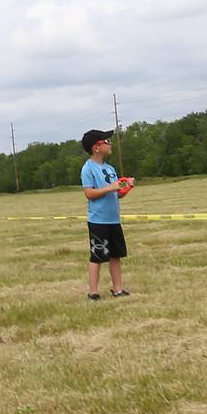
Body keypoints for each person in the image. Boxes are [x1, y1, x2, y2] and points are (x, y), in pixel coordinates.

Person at [79, 129, 131, 301]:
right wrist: (111, 187)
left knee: (116, 255)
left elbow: (117, 194)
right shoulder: (88, 169)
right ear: (96, 148)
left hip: (113, 219)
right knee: (98, 255)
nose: (110, 144)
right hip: (98, 221)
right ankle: (93, 292)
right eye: (106, 142)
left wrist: (126, 188)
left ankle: (118, 289)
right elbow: (89, 193)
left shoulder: (110, 168)